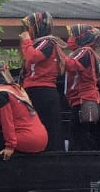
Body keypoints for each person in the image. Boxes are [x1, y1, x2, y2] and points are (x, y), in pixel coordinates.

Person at [0, 62, 48, 159]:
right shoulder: (17, 89)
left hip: (26, 139)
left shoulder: (0, 93)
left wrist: (10, 146)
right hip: (42, 138)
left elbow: (7, 120)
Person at [19, 12, 67, 151]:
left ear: (38, 27)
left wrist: (26, 40)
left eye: (29, 27)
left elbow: (32, 57)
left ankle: (50, 158)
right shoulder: (39, 43)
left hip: (42, 91)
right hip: (34, 90)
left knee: (47, 129)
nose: (27, 31)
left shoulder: (47, 42)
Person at [64, 24, 100, 151]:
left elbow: (71, 65)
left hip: (84, 100)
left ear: (82, 37)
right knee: (78, 137)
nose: (69, 39)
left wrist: (58, 51)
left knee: (79, 139)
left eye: (72, 35)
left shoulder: (85, 51)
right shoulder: (82, 52)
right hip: (80, 100)